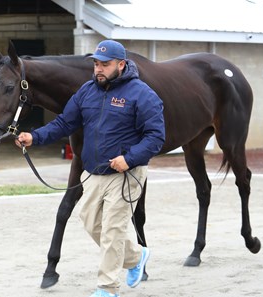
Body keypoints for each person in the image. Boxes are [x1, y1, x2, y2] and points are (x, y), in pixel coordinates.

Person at [16, 39, 165, 297]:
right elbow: (64, 123)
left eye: (105, 64)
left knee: (112, 230)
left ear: (121, 64)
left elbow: (156, 137)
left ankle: (107, 288)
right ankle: (136, 256)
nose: (99, 69)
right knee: (90, 222)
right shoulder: (87, 91)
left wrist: (129, 159)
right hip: (94, 172)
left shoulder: (142, 94)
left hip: (126, 173)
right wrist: (35, 137)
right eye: (96, 63)